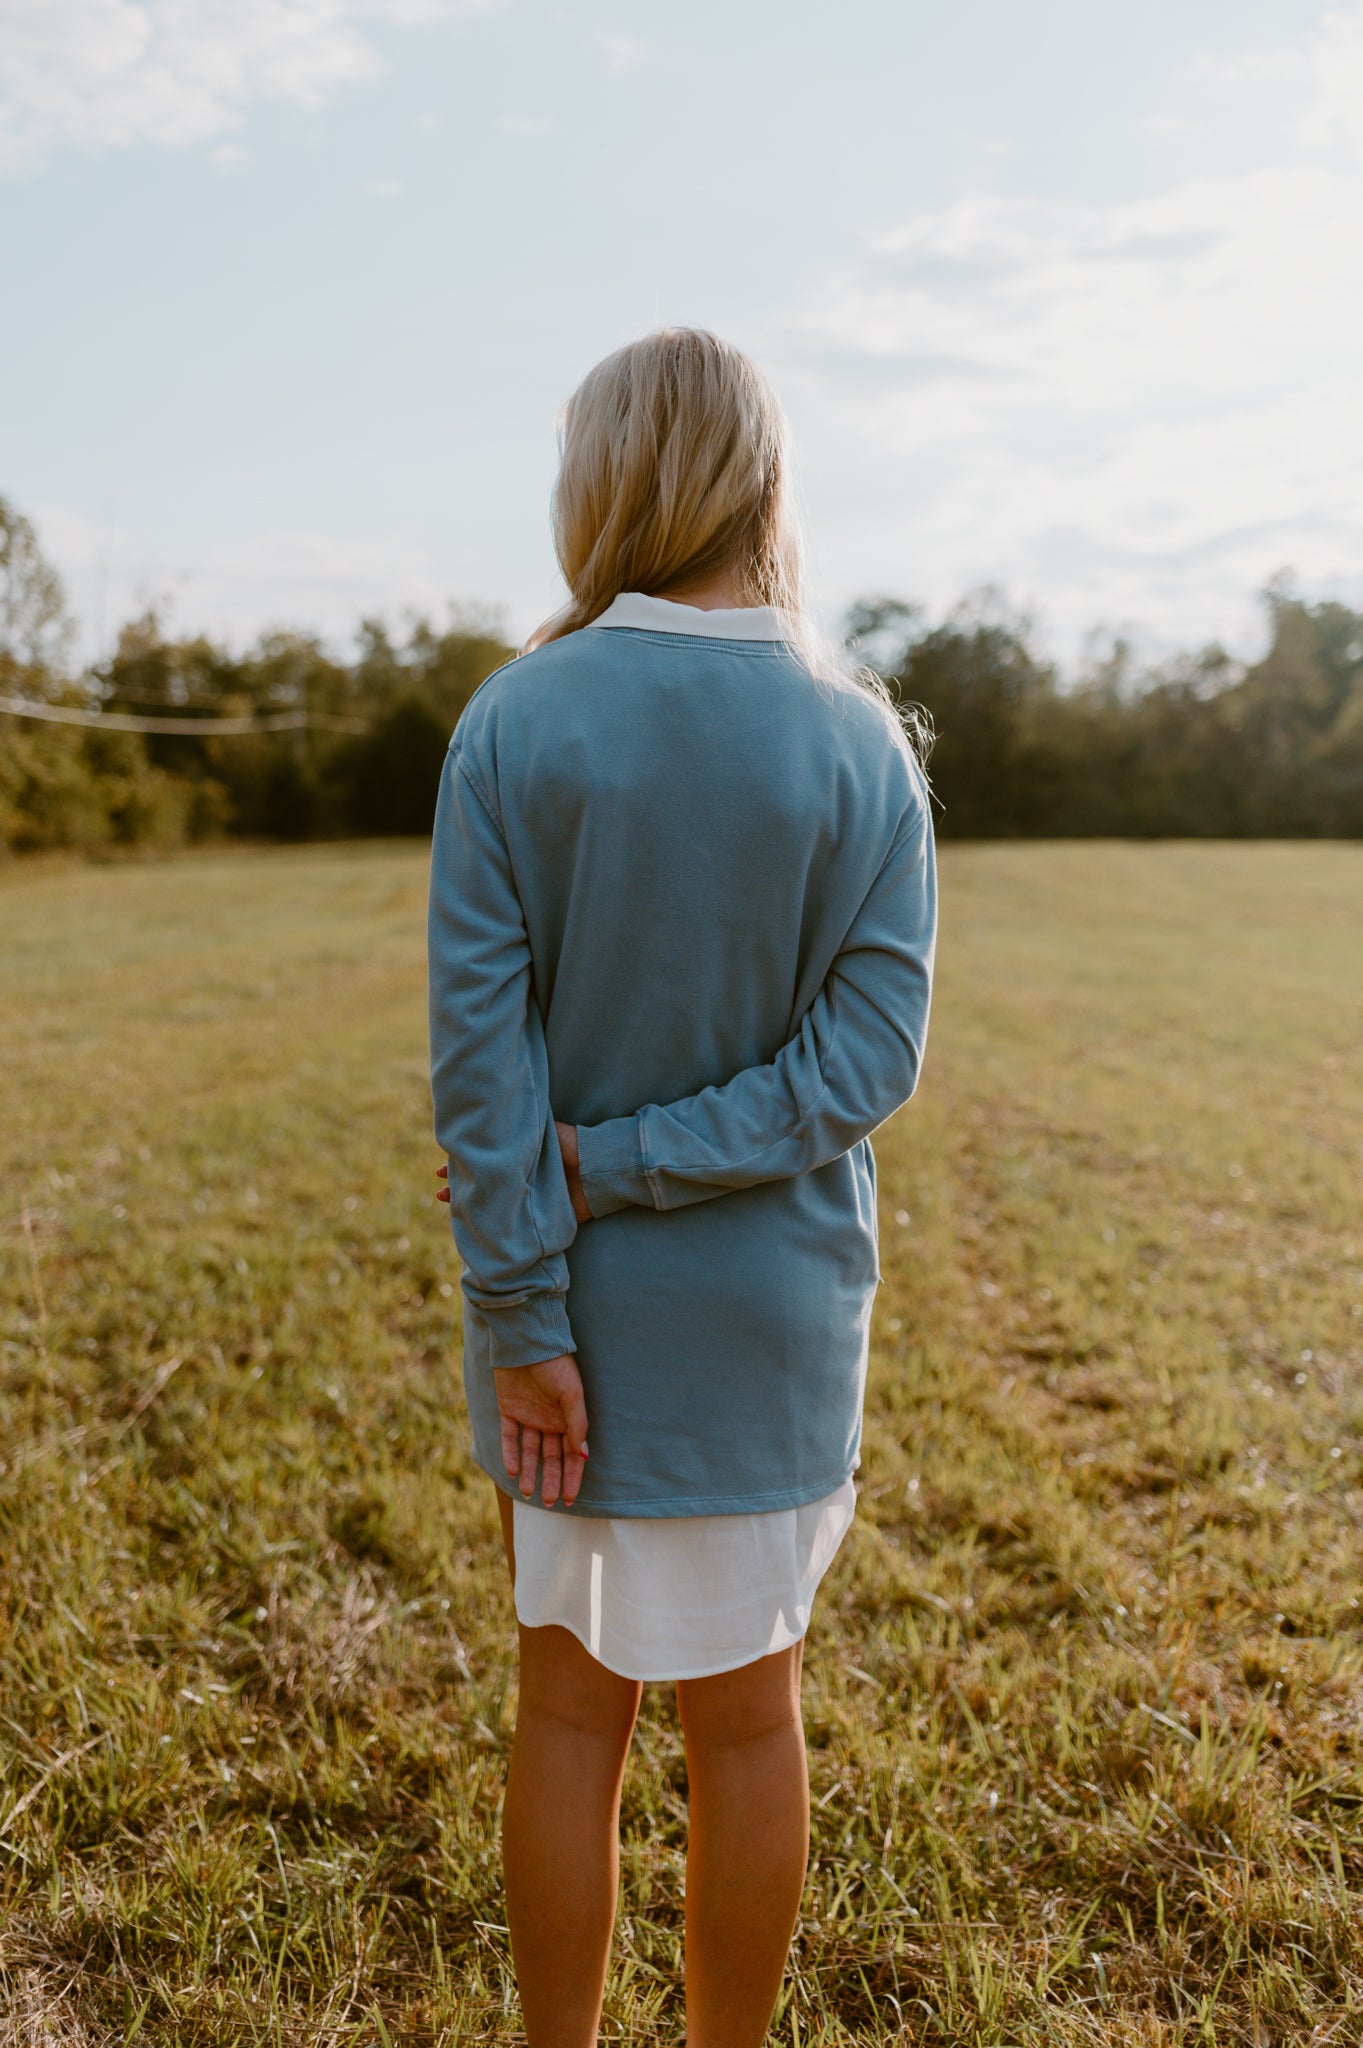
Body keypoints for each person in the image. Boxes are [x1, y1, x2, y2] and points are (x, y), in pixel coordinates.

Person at [427, 327, 936, 2048]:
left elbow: (480, 1070)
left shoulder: (513, 723)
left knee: (566, 1721)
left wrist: (525, 1297)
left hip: (567, 1324)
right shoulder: (865, 748)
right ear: (763, 484)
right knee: (750, 1721)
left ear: (605, 485)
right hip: (778, 1329)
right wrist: (638, 1168)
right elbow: (864, 1070)